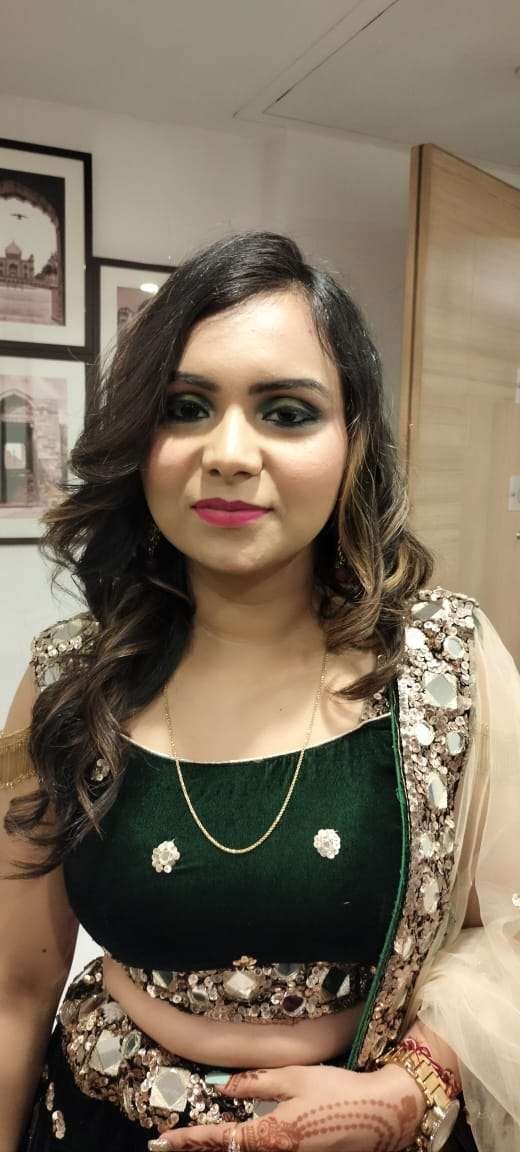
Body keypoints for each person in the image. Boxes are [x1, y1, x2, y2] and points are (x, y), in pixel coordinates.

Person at [1, 232, 518, 1152]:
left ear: (354, 440)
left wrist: (407, 1090)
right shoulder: (63, 680)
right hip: (100, 1123)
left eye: (286, 412)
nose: (230, 453)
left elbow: (511, 931)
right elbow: (13, 988)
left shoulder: (450, 662)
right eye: (186, 408)